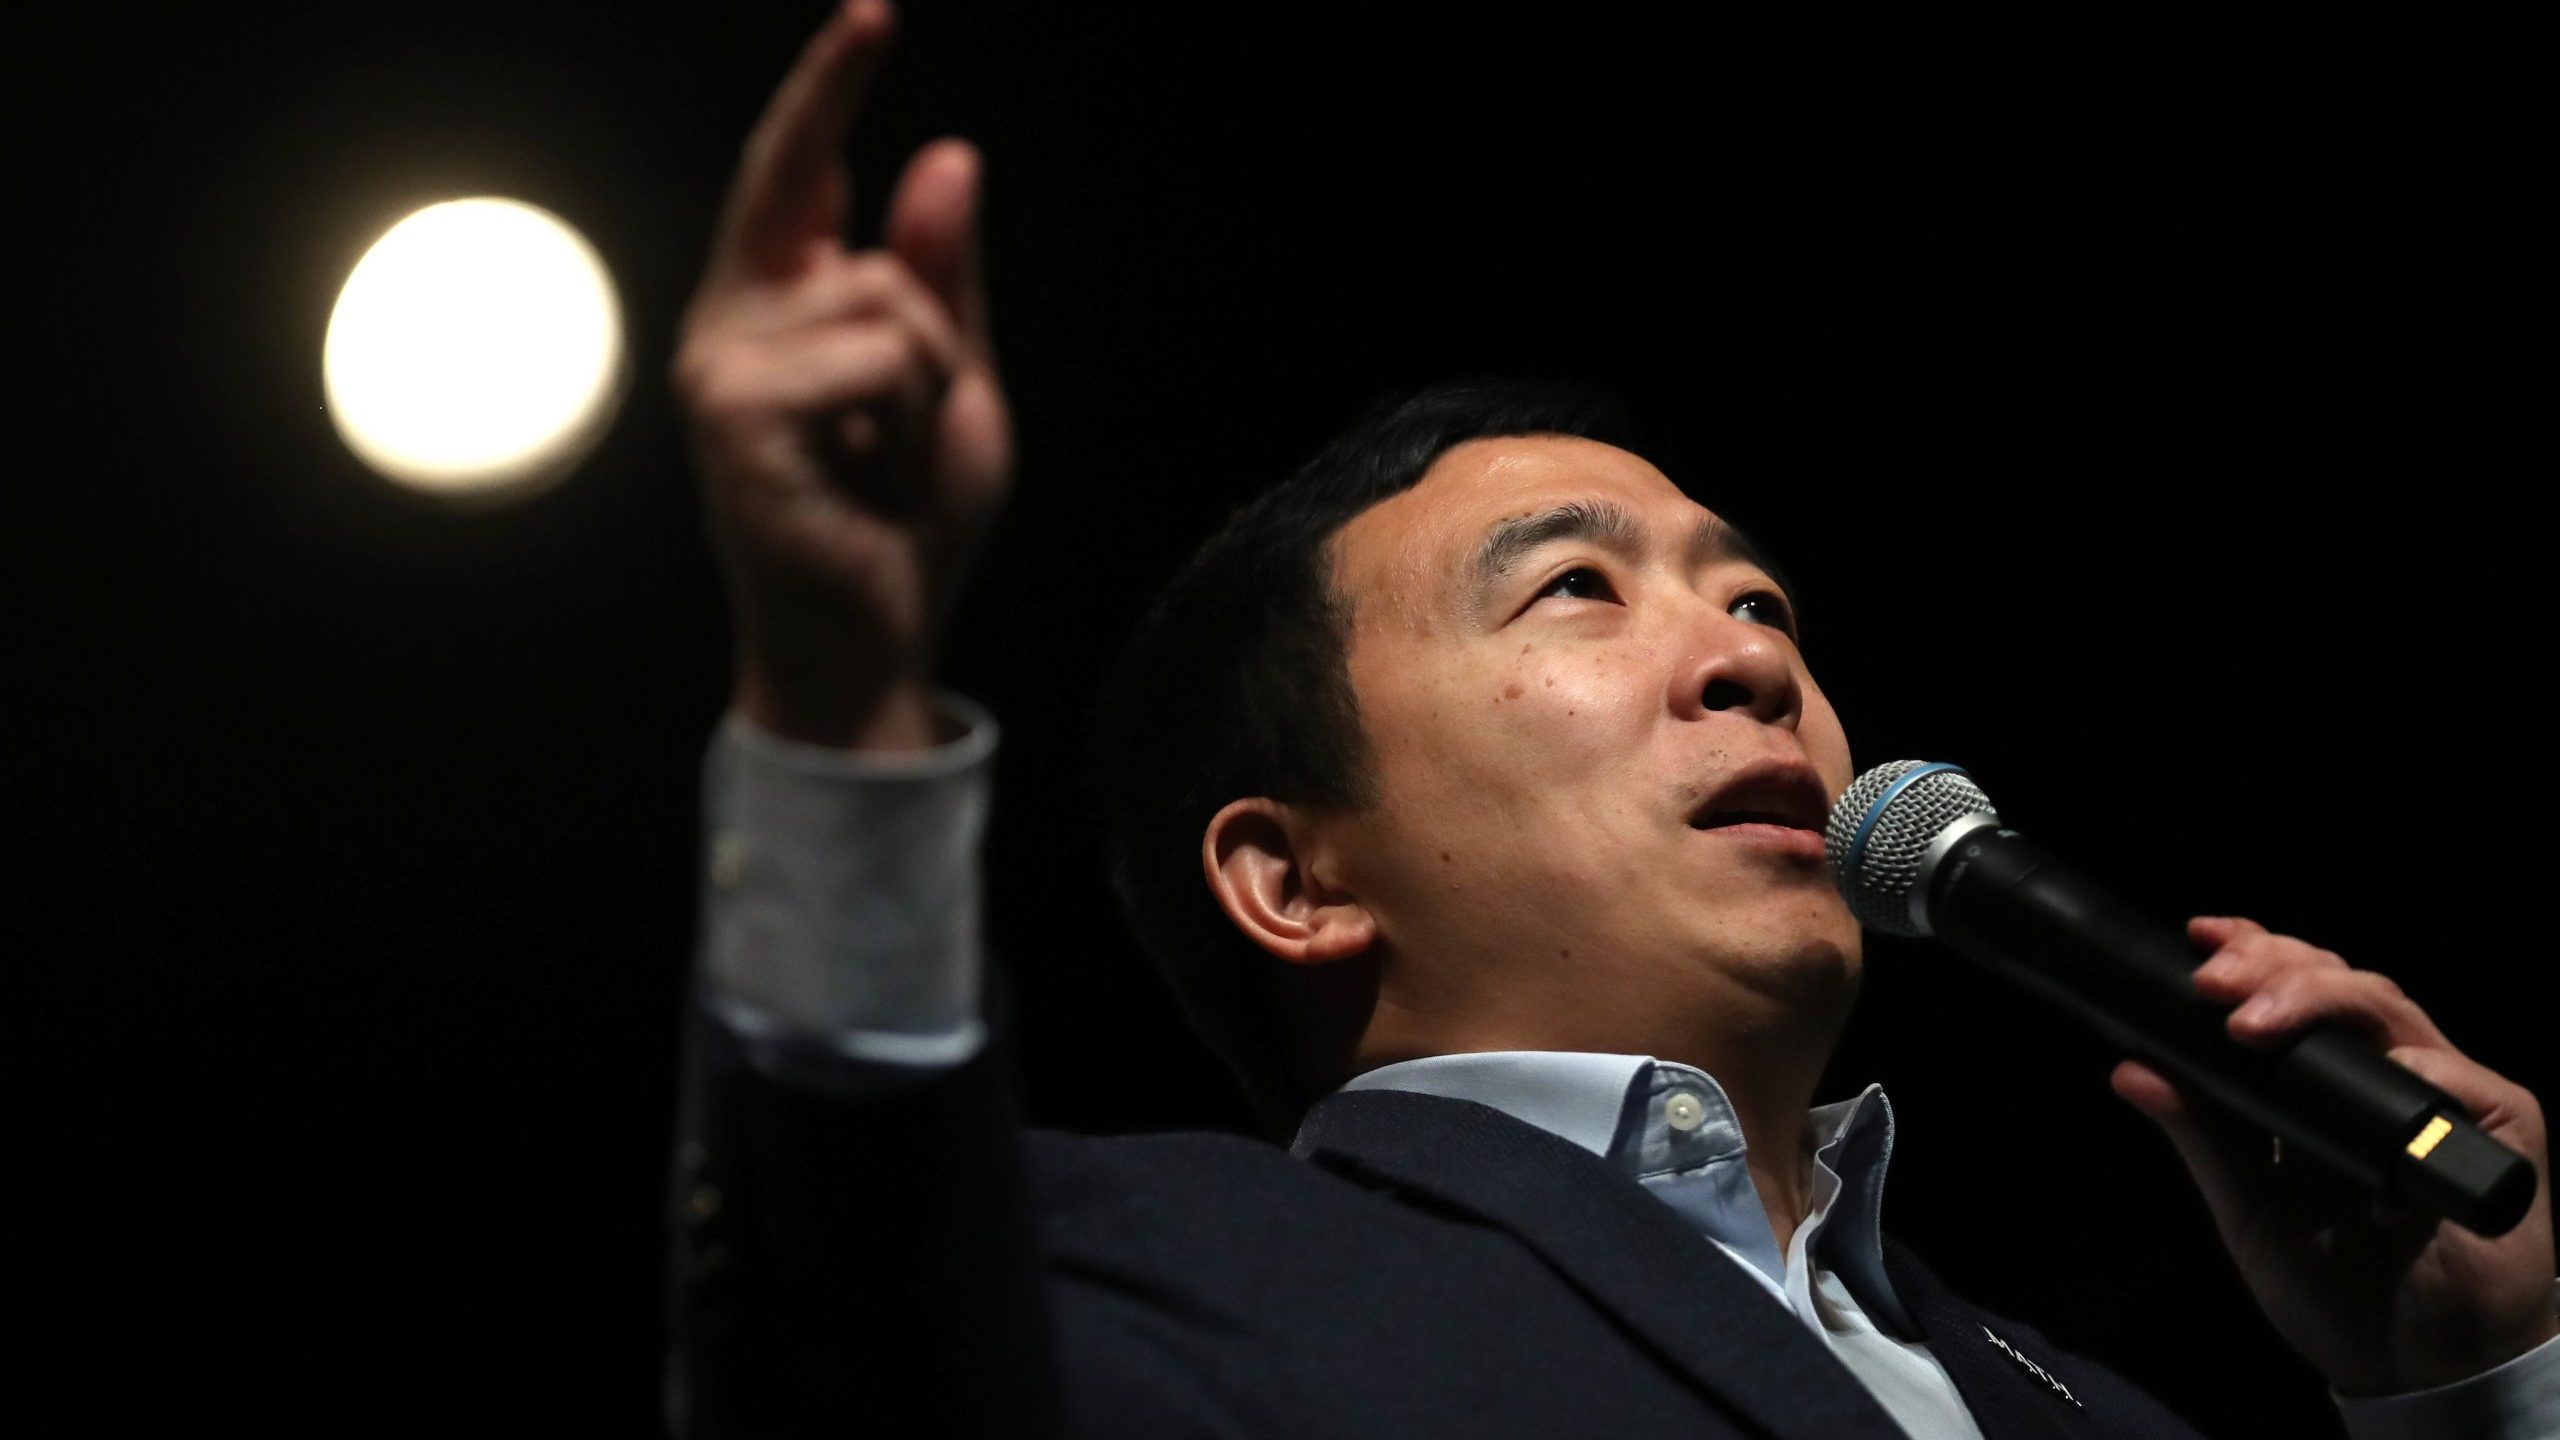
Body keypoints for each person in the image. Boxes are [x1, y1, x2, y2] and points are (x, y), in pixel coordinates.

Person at [663, 3, 2560, 1435]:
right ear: (1291, 876)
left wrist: (2469, 1396)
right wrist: (836, 700)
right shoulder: (1145, 1273)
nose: (1753, 663)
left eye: (1759, 604)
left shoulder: (2087, 1403)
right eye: (1578, 588)